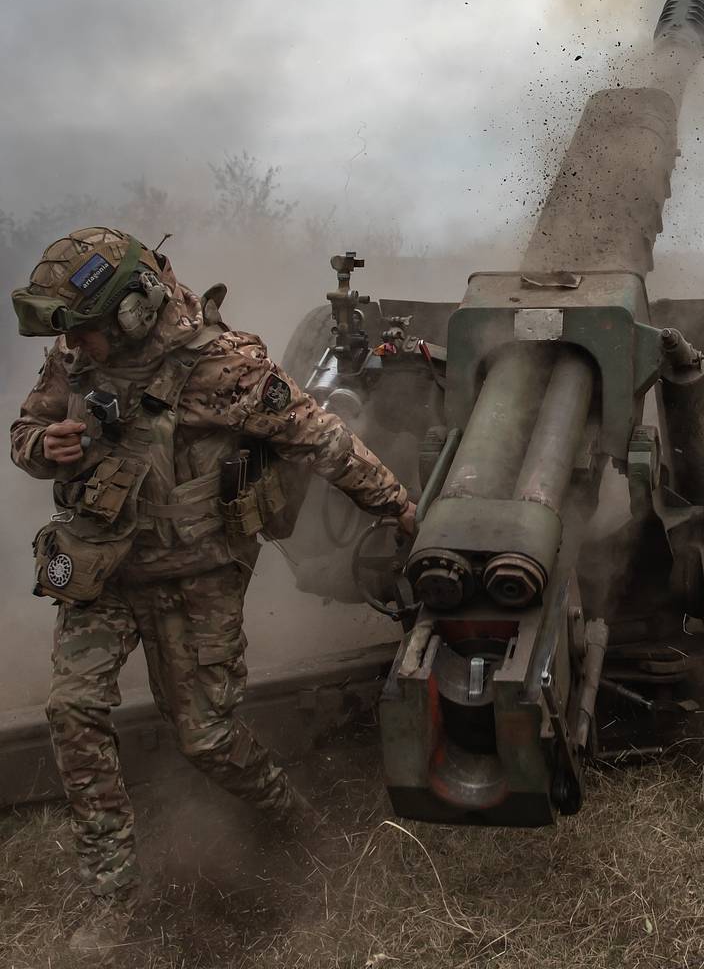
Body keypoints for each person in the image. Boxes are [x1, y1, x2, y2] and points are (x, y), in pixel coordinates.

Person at [9, 227, 417, 956]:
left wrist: (399, 507)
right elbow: (26, 429)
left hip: (197, 574)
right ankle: (113, 896)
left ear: (135, 308)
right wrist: (46, 446)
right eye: (74, 335)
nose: (81, 348)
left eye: (92, 331)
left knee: (207, 737)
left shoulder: (224, 367)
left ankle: (299, 827)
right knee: (72, 709)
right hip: (102, 568)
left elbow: (321, 440)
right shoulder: (74, 355)